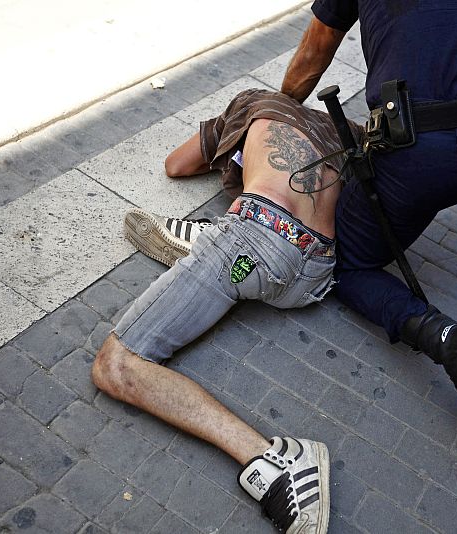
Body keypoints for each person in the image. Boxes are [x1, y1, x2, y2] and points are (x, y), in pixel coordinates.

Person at [274, 1, 457, 433]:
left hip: (416, 154)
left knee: (346, 261)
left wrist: (274, 115)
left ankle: (449, 341)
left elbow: (314, 54)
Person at [91, 88, 368, 534]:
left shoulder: (254, 103)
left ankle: (280, 464)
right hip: (315, 271)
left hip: (254, 240)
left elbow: (176, 165)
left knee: (116, 366)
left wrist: (230, 143)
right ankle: (204, 244)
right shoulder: (346, 131)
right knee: (240, 259)